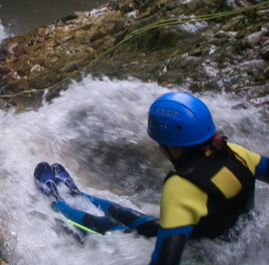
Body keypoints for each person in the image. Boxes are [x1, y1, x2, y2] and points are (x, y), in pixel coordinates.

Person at [34, 92, 269, 265]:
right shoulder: (236, 152)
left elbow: (165, 261)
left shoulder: (182, 186)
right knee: (130, 216)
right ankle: (79, 196)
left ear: (170, 147)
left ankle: (56, 204)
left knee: (113, 230)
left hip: (200, 254)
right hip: (230, 245)